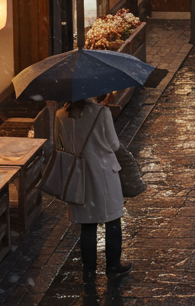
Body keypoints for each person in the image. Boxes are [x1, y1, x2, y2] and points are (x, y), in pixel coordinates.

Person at [55, 98, 132, 282]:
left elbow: (58, 146)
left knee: (87, 224)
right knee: (112, 219)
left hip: (78, 176)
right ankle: (113, 265)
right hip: (103, 173)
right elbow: (114, 144)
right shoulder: (101, 112)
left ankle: (89, 271)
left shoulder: (60, 115)